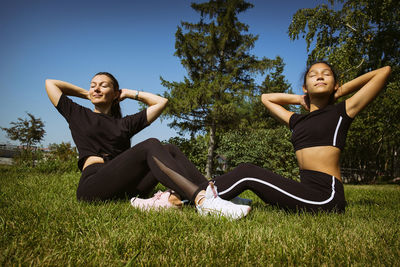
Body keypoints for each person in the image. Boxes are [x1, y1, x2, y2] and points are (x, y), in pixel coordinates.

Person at [151, 62, 391, 213]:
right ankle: (190, 194)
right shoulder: (297, 119)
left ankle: (180, 200)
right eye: (313, 74)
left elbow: (383, 72)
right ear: (305, 87)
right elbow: (267, 98)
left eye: (326, 74)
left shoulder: (342, 111)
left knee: (247, 171)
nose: (320, 76)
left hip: (325, 196)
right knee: (171, 149)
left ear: (336, 83)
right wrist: (300, 99)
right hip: (303, 189)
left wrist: (340, 90)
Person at [45, 72, 250, 219]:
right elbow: (51, 83)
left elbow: (161, 102)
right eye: (93, 84)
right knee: (150, 144)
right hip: (95, 185)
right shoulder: (78, 114)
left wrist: (129, 93)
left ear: (115, 94)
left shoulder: (123, 124)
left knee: (168, 148)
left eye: (103, 85)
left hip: (127, 186)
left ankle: (217, 194)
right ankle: (203, 202)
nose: (96, 88)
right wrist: (87, 94)